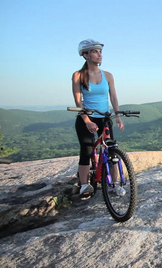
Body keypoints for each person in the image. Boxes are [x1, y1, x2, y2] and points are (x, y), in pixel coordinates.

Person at [72, 39, 125, 197]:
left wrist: (117, 116)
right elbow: (78, 101)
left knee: (111, 149)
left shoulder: (108, 75)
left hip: (104, 116)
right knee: (87, 150)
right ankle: (84, 185)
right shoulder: (78, 76)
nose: (99, 54)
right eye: (95, 51)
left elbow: (114, 97)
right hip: (86, 117)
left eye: (100, 51)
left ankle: (115, 183)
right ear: (85, 55)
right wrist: (87, 121)